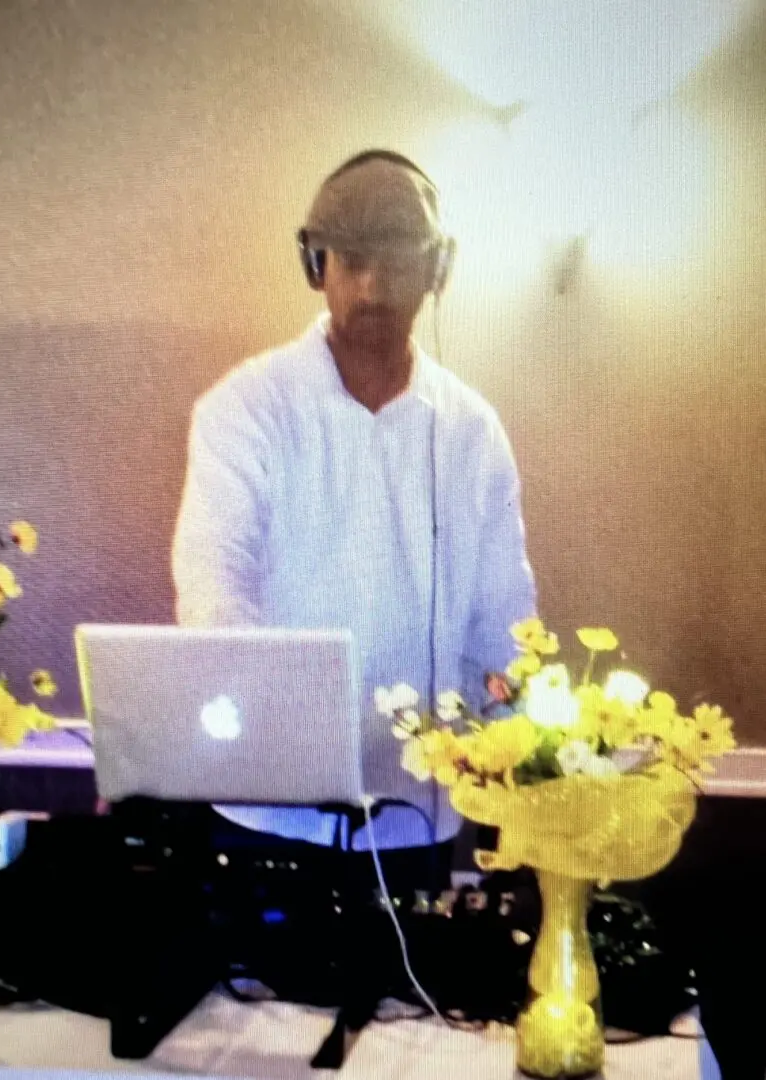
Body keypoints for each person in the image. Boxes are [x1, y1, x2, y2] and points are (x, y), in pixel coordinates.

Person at [172, 149, 537, 900]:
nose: (373, 284)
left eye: (398, 262)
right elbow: (215, 592)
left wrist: (518, 765)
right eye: (353, 259)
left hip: (418, 821)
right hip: (265, 816)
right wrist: (286, 742)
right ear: (317, 264)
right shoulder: (245, 410)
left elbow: (505, 623)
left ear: (438, 272)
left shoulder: (472, 432)